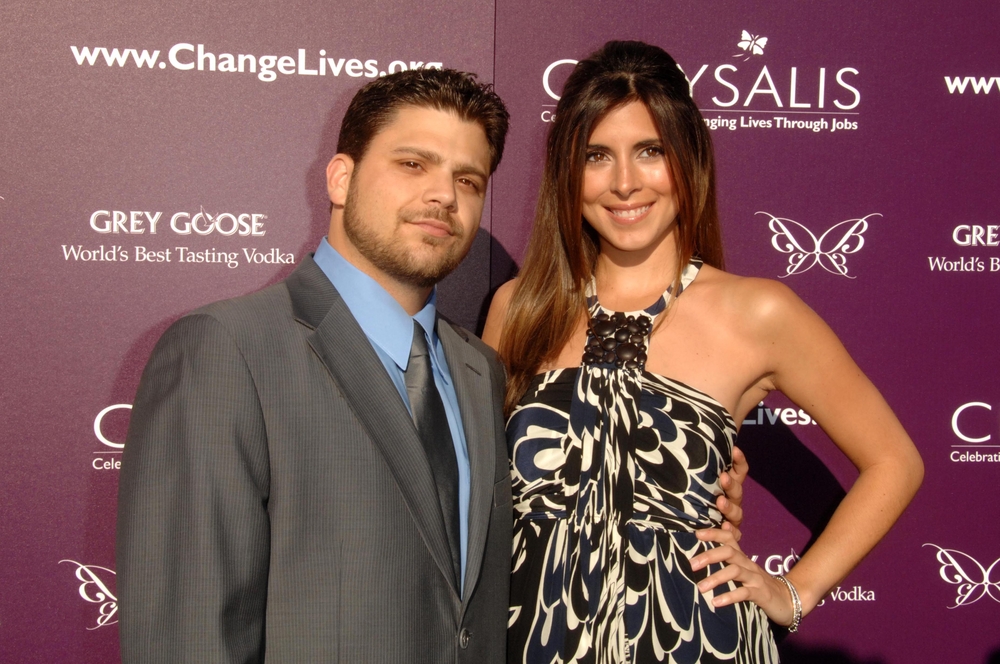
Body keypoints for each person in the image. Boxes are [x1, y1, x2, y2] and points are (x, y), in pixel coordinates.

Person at [482, 41, 923, 664]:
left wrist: (795, 592)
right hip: (533, 639)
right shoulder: (519, 308)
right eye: (597, 156)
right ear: (566, 172)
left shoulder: (760, 313)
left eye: (650, 151)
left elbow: (894, 462)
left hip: (696, 641)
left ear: (687, 158)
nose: (625, 183)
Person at [116, 68, 514, 663]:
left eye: (468, 179)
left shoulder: (481, 370)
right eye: (413, 164)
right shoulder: (226, 351)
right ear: (341, 178)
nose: (443, 195)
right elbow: (188, 635)